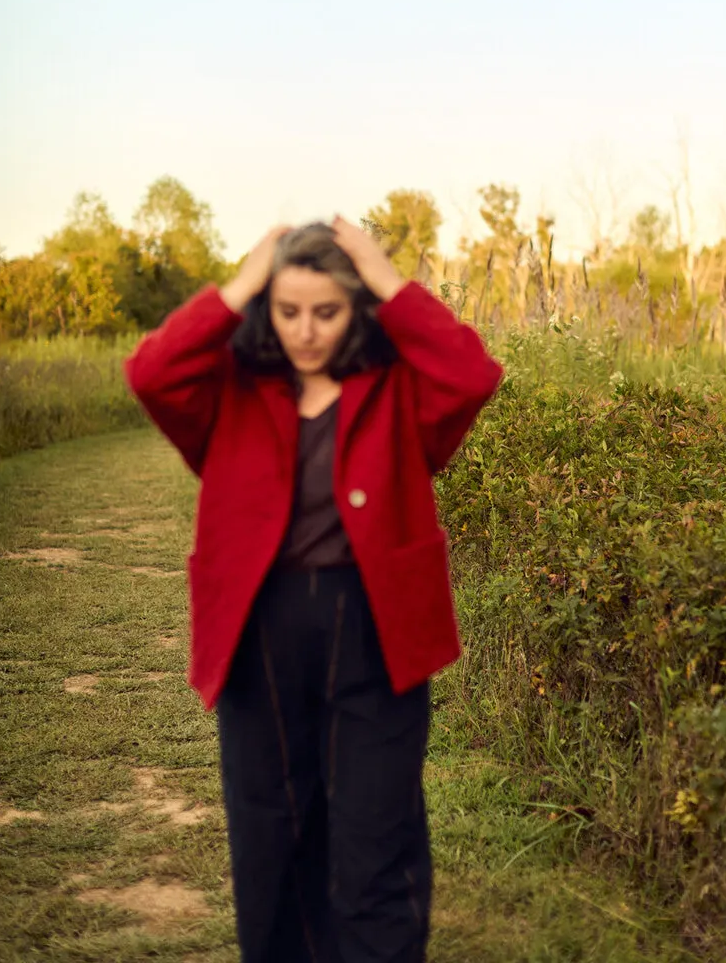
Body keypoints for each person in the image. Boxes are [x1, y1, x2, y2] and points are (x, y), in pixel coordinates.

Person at [124, 216, 503, 963]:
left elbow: (472, 373)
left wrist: (385, 275)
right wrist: (241, 281)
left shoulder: (397, 389)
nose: (305, 331)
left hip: (376, 632)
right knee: (271, 829)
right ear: (266, 307)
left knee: (375, 832)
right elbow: (151, 373)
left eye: (326, 312)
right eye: (287, 310)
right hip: (257, 633)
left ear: (355, 309)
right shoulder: (230, 391)